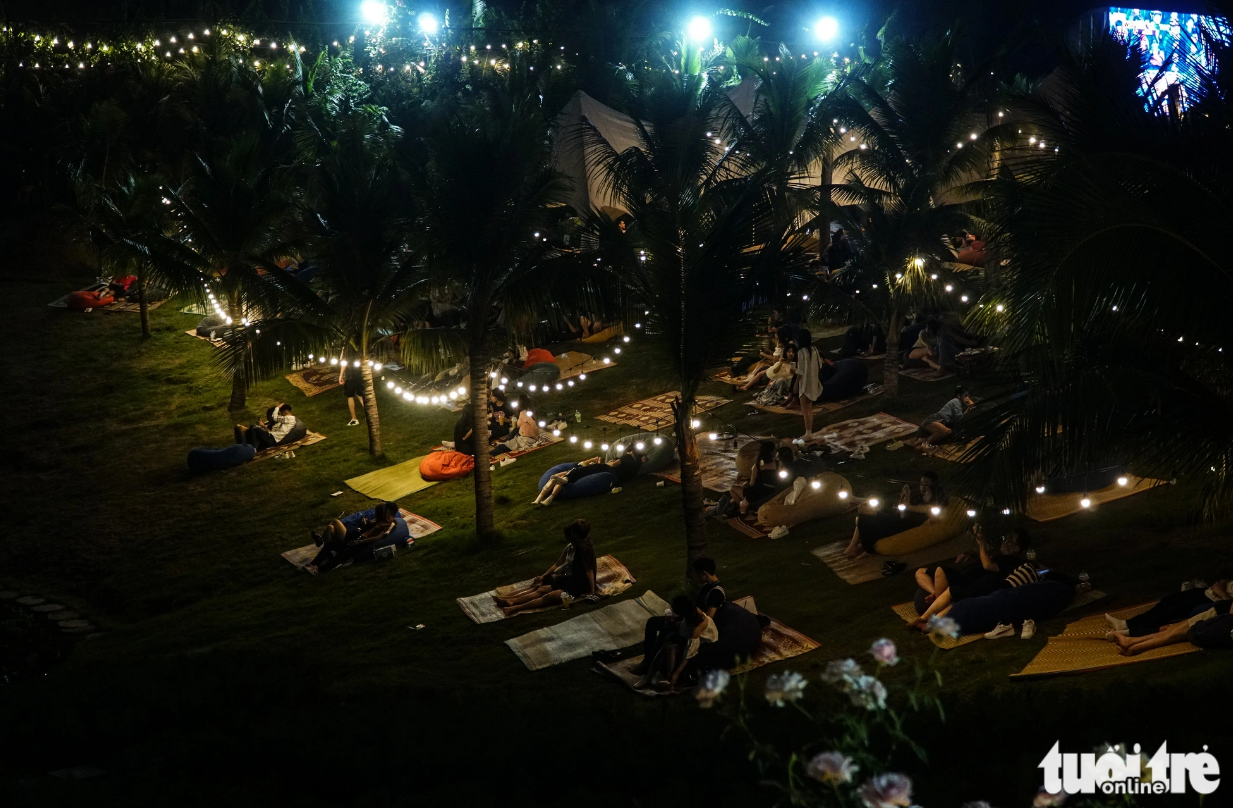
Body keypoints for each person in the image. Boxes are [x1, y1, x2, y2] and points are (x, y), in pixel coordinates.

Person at [908, 527, 1037, 627]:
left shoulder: (1012, 560)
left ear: (1017, 548)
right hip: (965, 578)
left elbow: (987, 565)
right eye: (1006, 538)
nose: (1005, 542)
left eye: (1009, 541)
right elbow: (985, 560)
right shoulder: (1001, 556)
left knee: (941, 571)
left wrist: (981, 543)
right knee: (920, 571)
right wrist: (971, 554)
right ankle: (934, 594)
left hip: (969, 584)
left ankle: (931, 612)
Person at [632, 557, 726, 677]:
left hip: (697, 626)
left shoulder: (716, 592)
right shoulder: (707, 587)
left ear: (704, 573)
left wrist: (682, 621)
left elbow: (708, 618)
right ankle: (647, 660)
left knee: (665, 630)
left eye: (697, 574)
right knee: (653, 622)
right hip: (689, 619)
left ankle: (649, 665)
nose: (696, 578)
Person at [495, 520, 598, 615]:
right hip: (571, 579)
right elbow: (558, 563)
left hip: (579, 585)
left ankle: (515, 608)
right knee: (542, 588)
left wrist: (592, 591)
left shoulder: (583, 549)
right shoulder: (572, 546)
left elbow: (589, 571)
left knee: (549, 596)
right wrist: (544, 575)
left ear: (575, 535)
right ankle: (511, 600)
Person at [843, 472, 946, 559]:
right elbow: (903, 515)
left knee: (866, 515)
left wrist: (908, 502)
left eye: (926, 484)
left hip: (906, 526)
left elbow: (923, 509)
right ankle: (854, 545)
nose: (922, 487)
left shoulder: (936, 501)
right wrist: (905, 496)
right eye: (921, 483)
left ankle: (865, 549)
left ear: (933, 485)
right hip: (900, 521)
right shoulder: (918, 497)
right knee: (864, 514)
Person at [634, 594, 719, 691]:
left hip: (705, 646)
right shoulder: (691, 612)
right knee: (668, 640)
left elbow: (690, 651)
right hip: (691, 639)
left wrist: (677, 673)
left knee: (671, 647)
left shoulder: (698, 625)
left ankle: (670, 678)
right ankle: (651, 676)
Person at [1105, 580, 1231, 638]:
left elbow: (1228, 603)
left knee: (1170, 611)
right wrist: (1220, 588)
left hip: (1214, 602)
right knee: (1167, 601)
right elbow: (1222, 583)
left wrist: (1222, 594)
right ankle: (1127, 624)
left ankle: (1131, 630)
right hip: (1208, 592)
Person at [304, 501, 401, 574]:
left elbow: (377, 538)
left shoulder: (390, 524)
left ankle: (319, 569)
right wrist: (367, 524)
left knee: (343, 554)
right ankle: (313, 563)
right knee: (331, 545)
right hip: (356, 536)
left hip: (361, 543)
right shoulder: (378, 521)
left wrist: (359, 542)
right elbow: (367, 528)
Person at [1111, 599, 1233, 656]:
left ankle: (1134, 647)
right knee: (1173, 629)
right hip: (1220, 610)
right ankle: (1132, 642)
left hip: (1222, 616)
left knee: (1172, 635)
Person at [532, 454, 643, 506]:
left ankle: (565, 479)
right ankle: (552, 493)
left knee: (580, 471)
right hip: (605, 470)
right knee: (581, 471)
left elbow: (612, 464)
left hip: (608, 470)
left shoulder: (624, 459)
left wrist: (611, 462)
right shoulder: (630, 467)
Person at [908, 386, 975, 450]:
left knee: (948, 432)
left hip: (940, 422)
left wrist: (968, 403)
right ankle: (925, 445)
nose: (967, 398)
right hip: (933, 420)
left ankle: (922, 441)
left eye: (968, 396)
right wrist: (969, 407)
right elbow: (960, 417)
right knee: (945, 431)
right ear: (958, 396)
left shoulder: (960, 403)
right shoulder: (956, 401)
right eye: (965, 396)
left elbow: (973, 407)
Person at [795, 330, 823, 440]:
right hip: (813, 381)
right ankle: (809, 431)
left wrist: (796, 384)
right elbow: (819, 365)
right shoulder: (814, 349)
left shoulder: (801, 352)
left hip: (805, 383)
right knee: (809, 408)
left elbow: (800, 371)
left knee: (805, 409)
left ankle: (808, 433)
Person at [338, 355, 365, 427]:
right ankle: (369, 415)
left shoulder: (347, 349)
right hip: (359, 374)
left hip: (351, 376)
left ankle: (354, 419)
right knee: (359, 395)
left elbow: (343, 362)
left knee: (351, 396)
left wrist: (341, 375)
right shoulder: (358, 349)